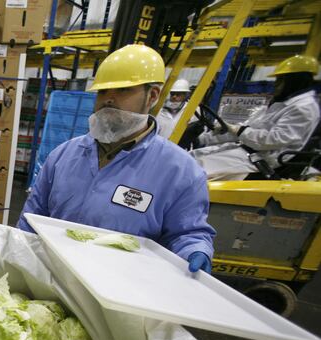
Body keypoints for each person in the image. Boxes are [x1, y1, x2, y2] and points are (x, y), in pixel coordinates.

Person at [18, 44, 215, 273]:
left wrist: (195, 250)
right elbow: (31, 217)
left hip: (122, 287)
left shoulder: (181, 171)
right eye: (102, 92)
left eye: (122, 90)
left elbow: (187, 233)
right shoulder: (62, 156)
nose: (108, 100)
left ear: (152, 95)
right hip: (53, 278)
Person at [191, 55, 320, 180]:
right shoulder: (280, 104)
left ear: (294, 81)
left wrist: (238, 130)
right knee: (191, 156)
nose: (275, 85)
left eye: (280, 81)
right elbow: (250, 128)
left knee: (195, 170)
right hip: (250, 150)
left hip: (264, 160)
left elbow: (274, 140)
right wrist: (203, 140)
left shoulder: (304, 107)